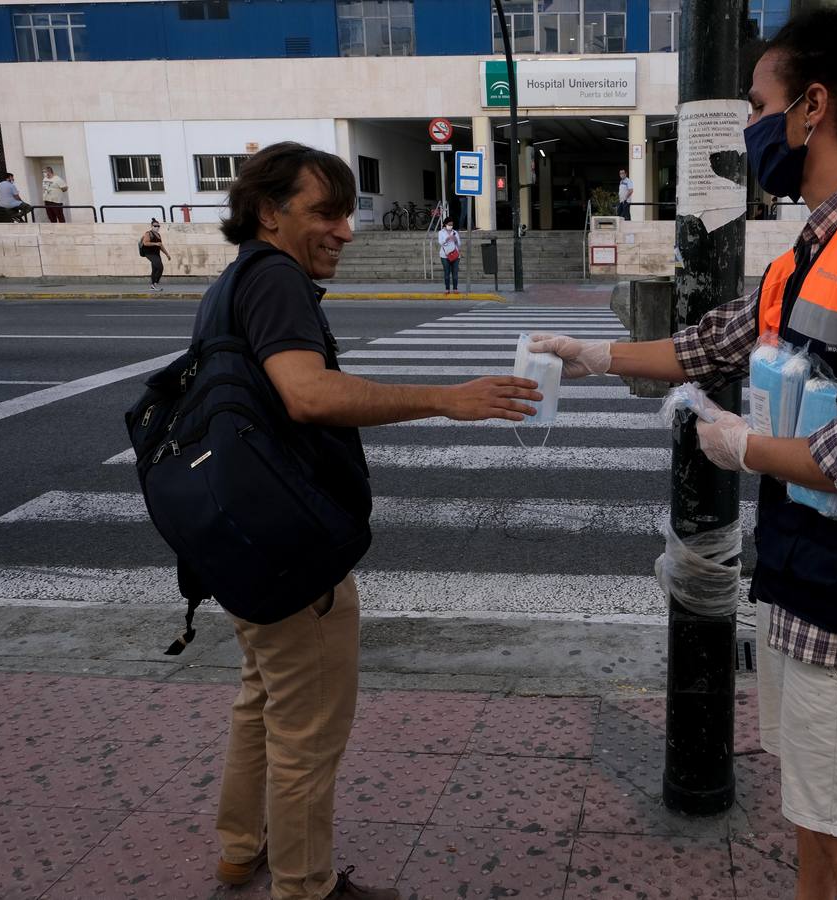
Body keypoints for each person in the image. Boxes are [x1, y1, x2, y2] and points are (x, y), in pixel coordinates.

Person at [531, 2, 837, 897]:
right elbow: (706, 345)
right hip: (799, 585)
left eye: (758, 103)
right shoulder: (805, 254)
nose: (750, 125)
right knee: (815, 820)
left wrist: (742, 447)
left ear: (812, 107)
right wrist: (590, 355)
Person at [205, 141, 539, 900]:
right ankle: (306, 886)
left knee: (260, 701)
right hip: (292, 554)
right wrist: (446, 397)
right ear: (269, 213)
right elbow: (308, 396)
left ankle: (238, 850)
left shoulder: (232, 284)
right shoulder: (278, 281)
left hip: (238, 541)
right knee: (306, 736)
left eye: (348, 210)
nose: (346, 230)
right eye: (325, 211)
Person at [139, 218, 170, 292]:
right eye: (155, 226)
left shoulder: (158, 235)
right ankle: (155, 284)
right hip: (149, 253)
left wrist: (167, 254)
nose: (157, 227)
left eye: (158, 226)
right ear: (151, 226)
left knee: (155, 269)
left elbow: (161, 246)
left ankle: (153, 285)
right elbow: (146, 243)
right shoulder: (148, 233)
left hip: (156, 254)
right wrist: (155, 243)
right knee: (160, 267)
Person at [437, 216, 461, 294]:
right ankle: (447, 289)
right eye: (449, 224)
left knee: (455, 273)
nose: (450, 226)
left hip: (455, 255)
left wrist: (455, 240)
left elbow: (459, 244)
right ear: (445, 224)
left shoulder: (455, 232)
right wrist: (447, 239)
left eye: (452, 225)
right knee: (446, 272)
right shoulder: (441, 232)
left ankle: (455, 288)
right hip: (445, 255)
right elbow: (441, 242)